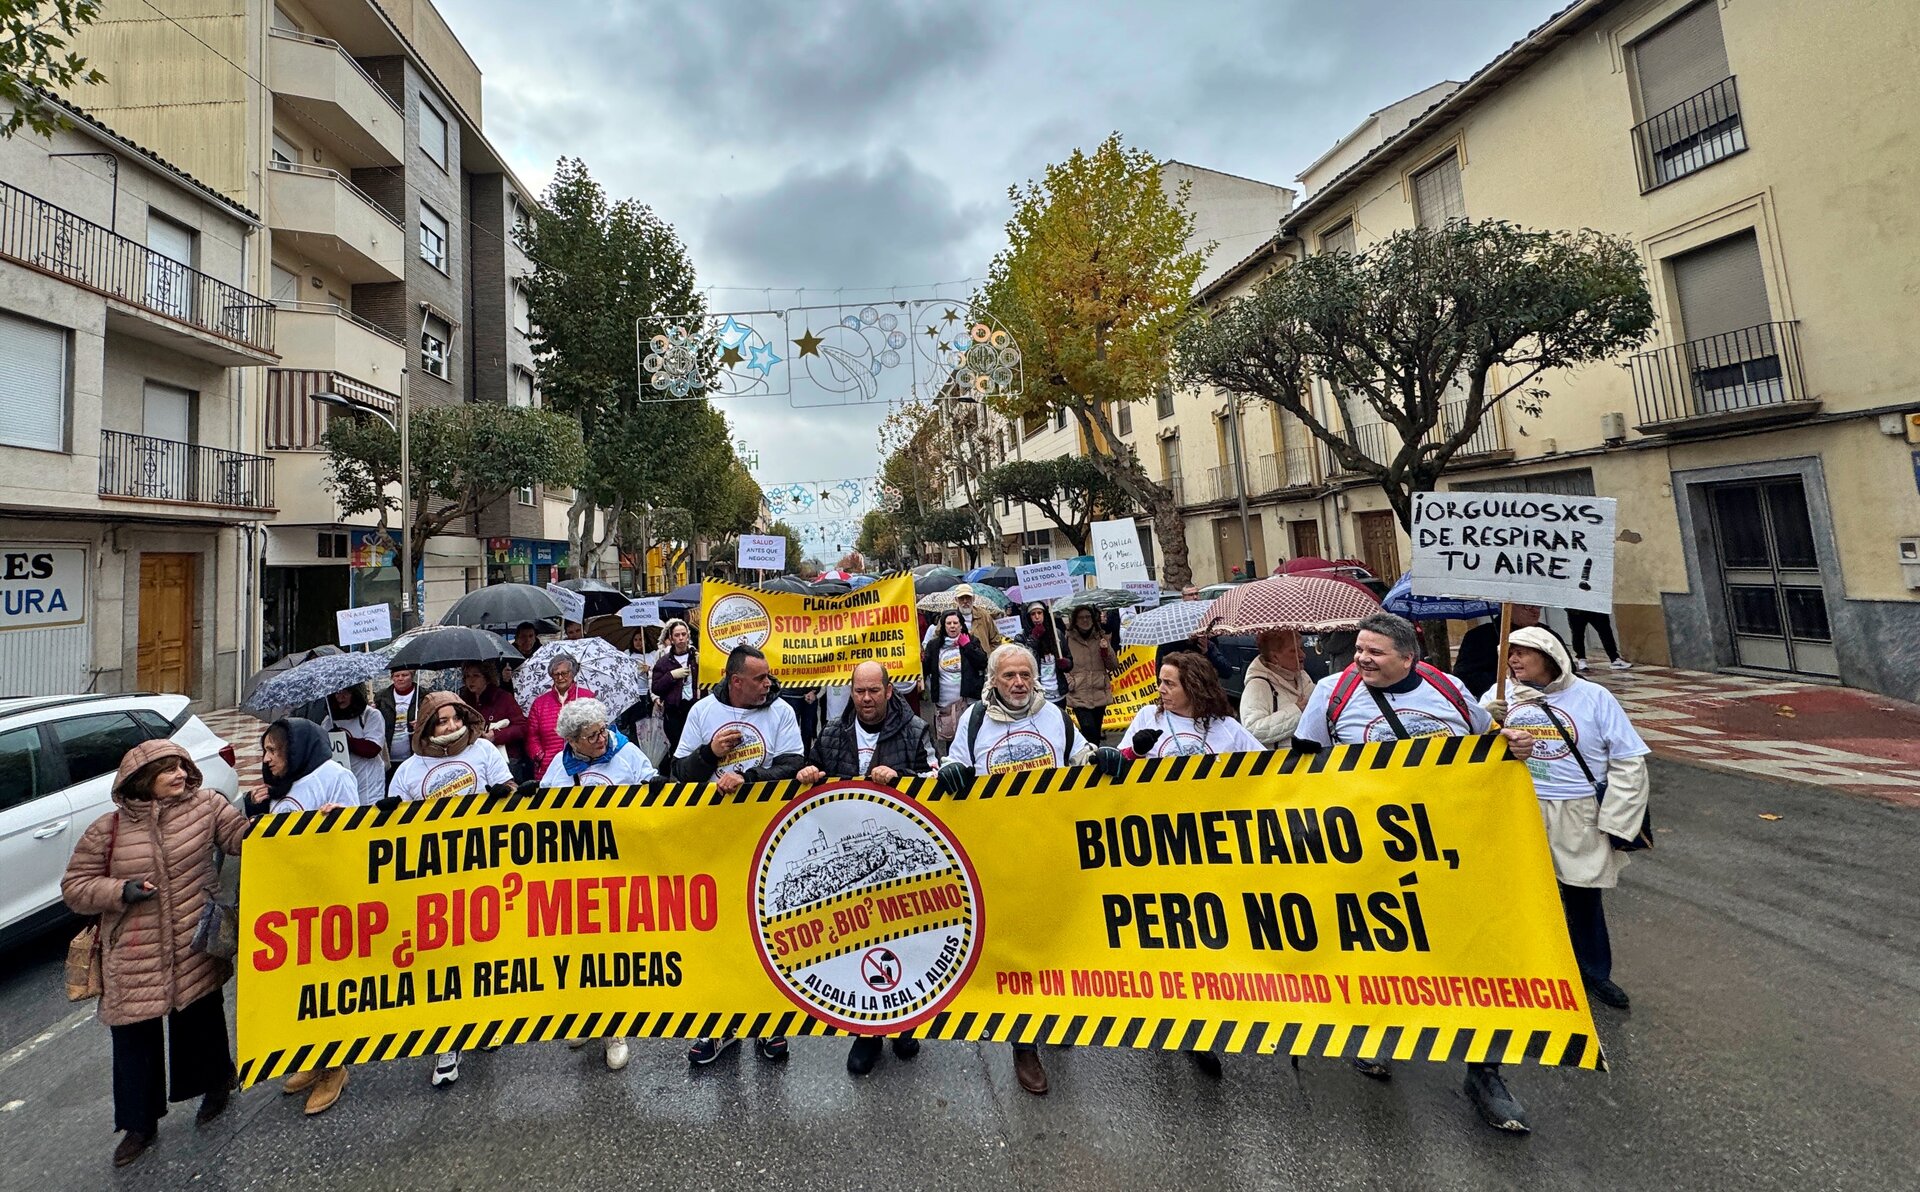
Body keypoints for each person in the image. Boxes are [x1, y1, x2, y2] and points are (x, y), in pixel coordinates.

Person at [1294, 611, 1538, 1134]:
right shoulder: (1332, 694)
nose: (1362, 659)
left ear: (1410, 658)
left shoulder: (1448, 690)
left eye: (1375, 652)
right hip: (1367, 856)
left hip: (1453, 853)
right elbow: (1303, 765)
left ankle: (1485, 1072)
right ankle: (1373, 1036)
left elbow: (1491, 743)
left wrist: (1514, 742)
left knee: (1474, 956)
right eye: (1359, 649)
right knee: (1376, 949)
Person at [60, 740, 253, 1166]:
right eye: (169, 770)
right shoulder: (107, 829)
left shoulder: (207, 806)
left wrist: (274, 818)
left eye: (183, 767)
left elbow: (241, 839)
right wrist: (118, 891)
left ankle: (216, 1084)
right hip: (133, 951)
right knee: (133, 1040)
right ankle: (138, 1124)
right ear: (143, 781)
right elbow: (74, 888)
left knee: (201, 1018)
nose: (181, 775)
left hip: (194, 937)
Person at [939, 643, 1101, 1097]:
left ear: (1035, 679)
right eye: (1008, 675)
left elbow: (1079, 755)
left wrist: (1100, 761)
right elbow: (955, 760)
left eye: (1024, 675)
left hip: (1050, 851)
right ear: (993, 680)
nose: (1017, 683)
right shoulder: (975, 721)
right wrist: (952, 772)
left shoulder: (1055, 717)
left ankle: (1056, 1014)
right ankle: (1023, 1042)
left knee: (1053, 940)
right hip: (1000, 855)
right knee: (1017, 949)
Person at [1481, 626, 1650, 1010]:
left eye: (1524, 652)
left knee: (1582, 893)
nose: (1514, 660)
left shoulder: (1593, 697)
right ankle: (1537, 971)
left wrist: (1617, 817)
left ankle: (1594, 972)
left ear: (1551, 655)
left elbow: (1627, 758)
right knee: (1526, 893)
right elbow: (1476, 752)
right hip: (1522, 806)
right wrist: (1484, 720)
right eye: (1510, 653)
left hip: (1578, 810)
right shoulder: (1499, 695)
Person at [1113, 651, 1264, 1078]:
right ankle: (1178, 1021)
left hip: (1211, 849)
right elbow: (1114, 777)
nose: (1160, 690)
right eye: (1159, 682)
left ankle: (1205, 1019)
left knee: (1205, 936)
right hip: (1156, 848)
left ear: (1193, 686)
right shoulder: (1148, 720)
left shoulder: (1226, 729)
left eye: (1169, 683)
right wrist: (1129, 757)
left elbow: (1263, 773)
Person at [795, 660, 938, 1077]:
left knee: (909, 941)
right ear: (850, 692)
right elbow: (814, 773)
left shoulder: (914, 730)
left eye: (875, 690)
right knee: (858, 945)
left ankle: (906, 1024)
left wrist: (902, 777)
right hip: (851, 860)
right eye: (860, 691)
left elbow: (933, 779)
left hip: (896, 860)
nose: (867, 699)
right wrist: (809, 774)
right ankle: (867, 1033)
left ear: (889, 691)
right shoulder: (831, 734)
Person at [673, 645, 805, 1067]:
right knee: (719, 933)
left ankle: (769, 1021)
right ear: (736, 681)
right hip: (715, 837)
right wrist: (710, 754)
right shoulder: (702, 713)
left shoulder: (781, 712)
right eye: (761, 678)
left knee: (766, 930)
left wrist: (748, 777)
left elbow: (793, 764)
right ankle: (721, 1025)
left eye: (768, 677)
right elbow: (677, 774)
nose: (769, 684)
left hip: (766, 835)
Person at [388, 691, 516, 1088]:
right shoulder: (409, 771)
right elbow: (391, 829)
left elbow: (513, 798)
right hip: (435, 883)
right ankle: (448, 1041)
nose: (449, 726)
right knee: (443, 961)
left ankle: (486, 1021)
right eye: (440, 721)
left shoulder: (485, 754)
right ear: (427, 726)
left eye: (454, 719)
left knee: (483, 952)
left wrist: (505, 797)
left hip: (483, 875)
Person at [539, 697, 657, 1072]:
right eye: (591, 736)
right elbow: (543, 813)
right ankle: (589, 1017)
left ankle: (615, 1029)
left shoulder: (627, 754)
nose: (602, 739)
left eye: (603, 730)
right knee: (580, 949)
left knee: (612, 949)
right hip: (577, 872)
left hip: (621, 869)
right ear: (572, 741)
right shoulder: (559, 767)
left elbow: (653, 789)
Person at [258, 717, 360, 813]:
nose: (266, 759)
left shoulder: (336, 776)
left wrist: (341, 814)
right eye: (265, 751)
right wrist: (255, 805)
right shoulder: (279, 781)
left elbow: (355, 826)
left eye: (272, 750)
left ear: (294, 748)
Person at [924, 610, 988, 755]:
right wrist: (921, 658)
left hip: (967, 699)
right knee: (951, 741)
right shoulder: (934, 645)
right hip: (945, 701)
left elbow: (982, 662)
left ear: (961, 625)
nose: (952, 626)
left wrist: (967, 646)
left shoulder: (971, 640)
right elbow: (925, 669)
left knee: (971, 737)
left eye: (955, 623)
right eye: (948, 623)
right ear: (943, 626)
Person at [1239, 628, 1313, 748]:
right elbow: (1253, 730)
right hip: (1281, 763)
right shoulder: (1258, 685)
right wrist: (1297, 712)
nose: (1302, 655)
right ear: (1275, 657)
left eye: (1301, 648)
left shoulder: (1302, 676)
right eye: (1293, 651)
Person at [527, 651, 597, 778]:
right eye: (556, 674)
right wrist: (540, 756)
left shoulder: (587, 697)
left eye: (564, 673)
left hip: (583, 763)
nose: (560, 678)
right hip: (549, 766)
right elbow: (532, 736)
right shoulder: (539, 703)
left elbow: (596, 728)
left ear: (573, 674)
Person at [1453, 604, 1544, 697]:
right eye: (1527, 606)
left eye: (1538, 605)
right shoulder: (1479, 636)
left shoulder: (1547, 636)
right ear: (1506, 606)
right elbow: (1464, 677)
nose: (1536, 610)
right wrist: (1506, 680)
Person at [462, 661, 529, 778]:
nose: (471, 680)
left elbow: (522, 727)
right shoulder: (464, 701)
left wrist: (496, 735)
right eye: (467, 676)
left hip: (506, 759)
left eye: (476, 676)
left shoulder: (503, 698)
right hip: (476, 758)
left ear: (487, 678)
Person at [321, 682, 385, 804]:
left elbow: (373, 748)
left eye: (346, 692)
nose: (341, 697)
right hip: (343, 781)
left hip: (368, 780)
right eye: (337, 693)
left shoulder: (370, 715)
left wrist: (345, 740)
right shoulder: (328, 722)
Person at [1063, 605, 1117, 746]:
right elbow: (1063, 665)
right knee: (1088, 729)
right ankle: (1088, 758)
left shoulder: (1100, 637)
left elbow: (1113, 665)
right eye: (1081, 617)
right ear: (1075, 620)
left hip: (1099, 691)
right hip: (1078, 692)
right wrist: (1069, 680)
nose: (1085, 620)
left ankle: (1093, 758)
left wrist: (1106, 651)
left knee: (1096, 732)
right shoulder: (1067, 639)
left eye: (1088, 617)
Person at [650, 619, 699, 757]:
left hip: (695, 707)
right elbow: (656, 687)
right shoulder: (664, 661)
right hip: (674, 711)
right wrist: (671, 676)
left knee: (696, 745)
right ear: (671, 638)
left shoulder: (696, 657)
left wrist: (703, 666)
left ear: (688, 636)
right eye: (677, 635)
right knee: (678, 747)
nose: (681, 638)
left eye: (683, 634)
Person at [1015, 601, 1071, 706]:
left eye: (1039, 613)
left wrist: (1066, 663)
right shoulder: (1021, 637)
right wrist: (1034, 638)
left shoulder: (1056, 633)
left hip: (1058, 693)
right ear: (1028, 617)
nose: (1037, 617)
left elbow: (1069, 658)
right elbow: (1022, 661)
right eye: (1033, 614)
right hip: (1037, 694)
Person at [921, 584, 1002, 648]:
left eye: (968, 597)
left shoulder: (984, 616)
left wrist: (988, 656)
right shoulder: (948, 616)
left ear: (973, 599)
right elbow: (937, 638)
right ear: (956, 600)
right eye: (961, 598)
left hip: (981, 664)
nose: (965, 601)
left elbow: (996, 640)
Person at [376, 669, 419, 779]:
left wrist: (422, 722)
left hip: (414, 756)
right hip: (389, 757)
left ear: (412, 676)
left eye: (404, 675)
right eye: (396, 675)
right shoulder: (381, 696)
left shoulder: (423, 695)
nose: (400, 678)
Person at [1566, 607, 1630, 672]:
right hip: (1576, 610)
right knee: (1577, 634)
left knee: (1606, 632)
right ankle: (1581, 658)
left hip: (1596, 608)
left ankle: (1614, 658)